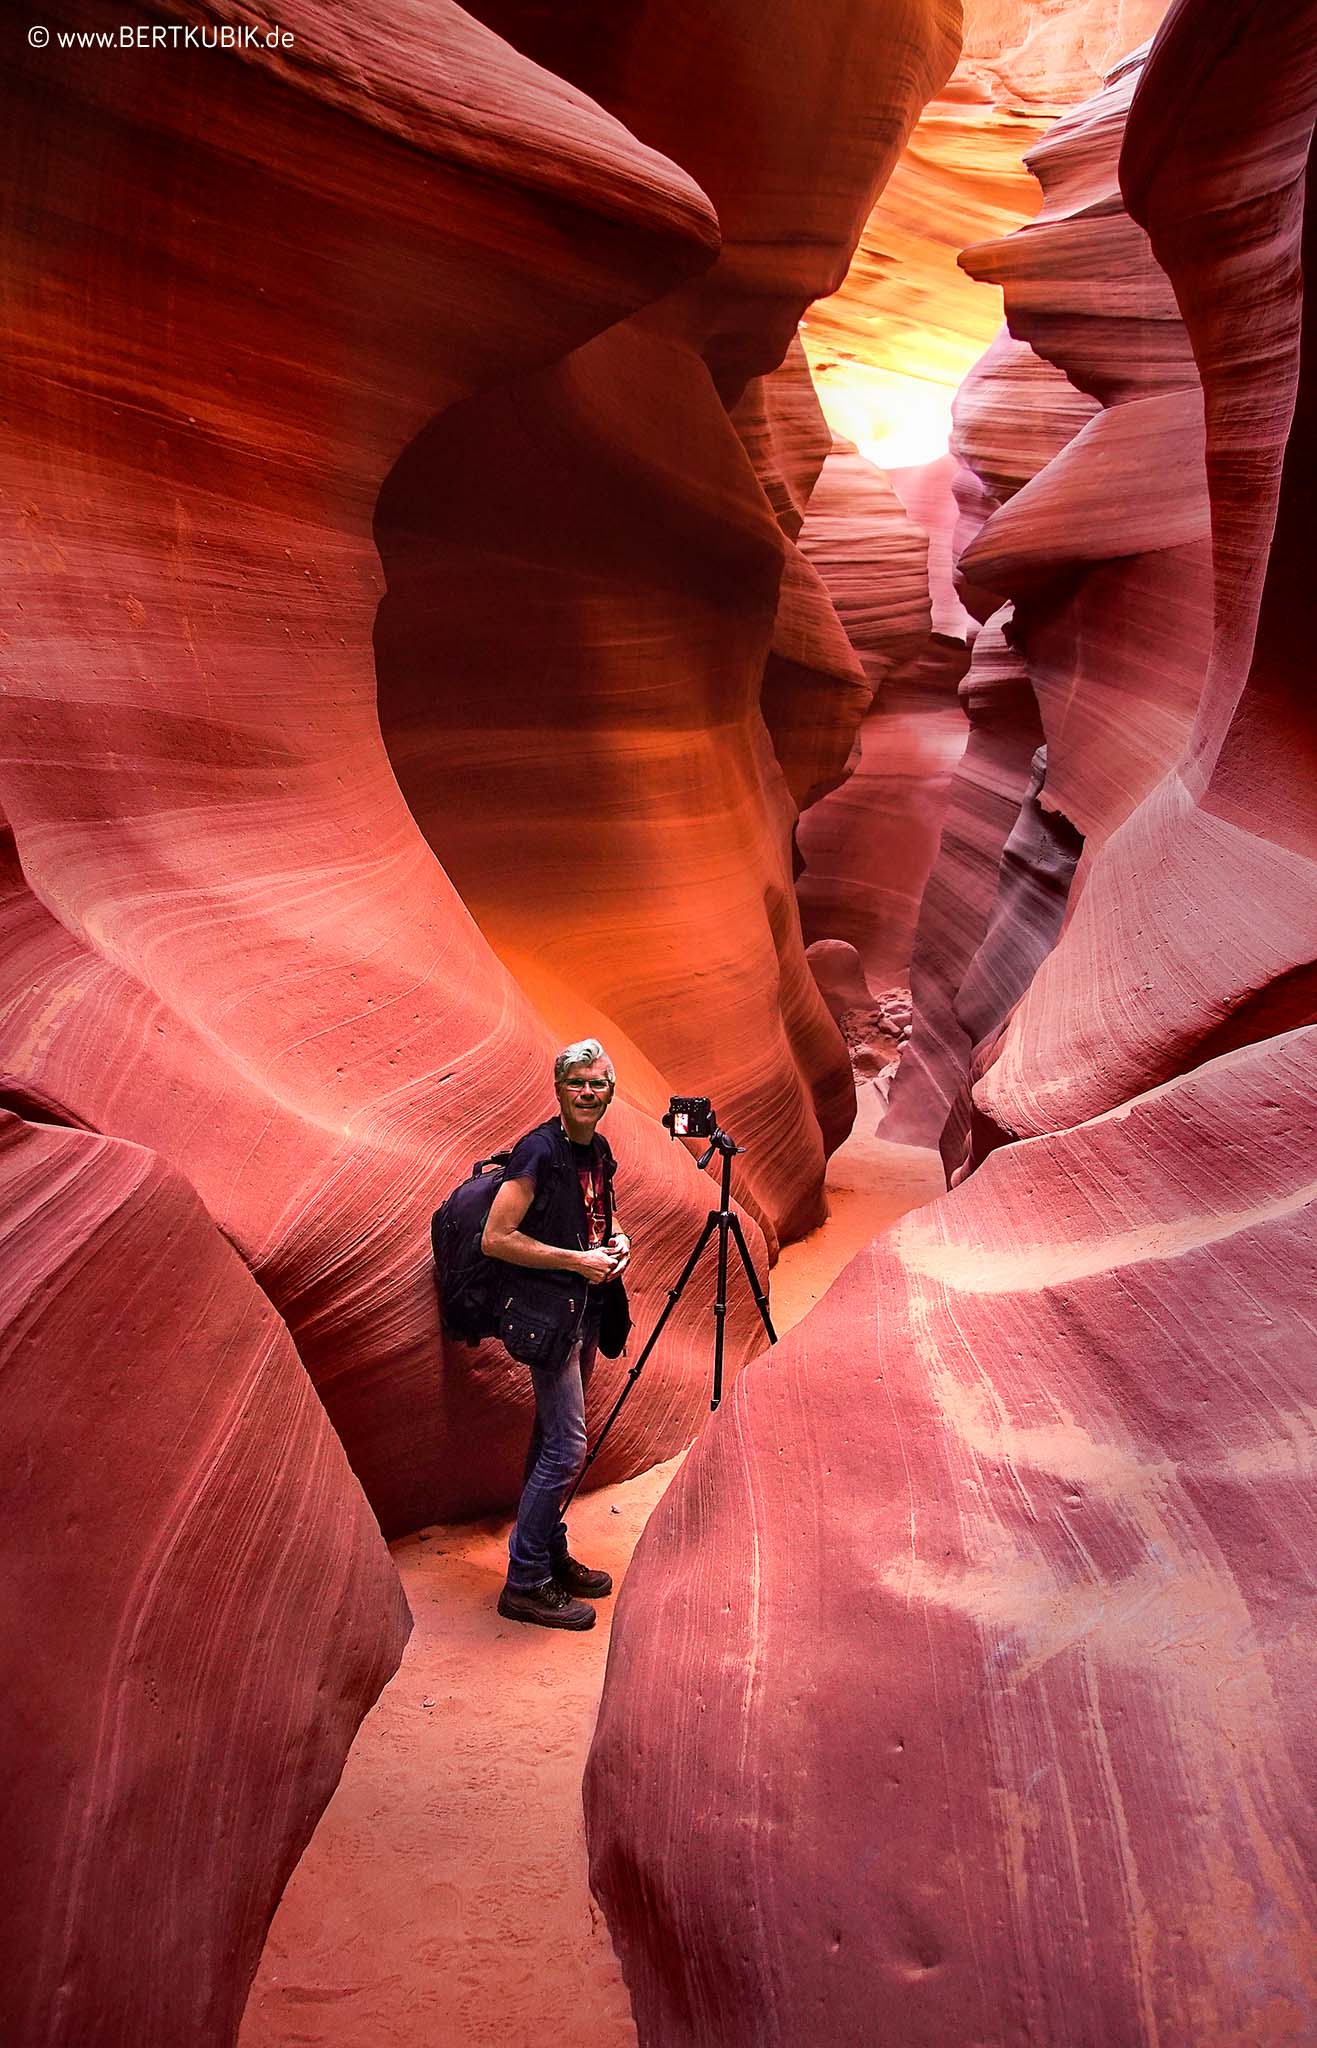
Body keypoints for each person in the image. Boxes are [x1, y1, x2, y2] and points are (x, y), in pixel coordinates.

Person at [482, 1038, 631, 1631]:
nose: (588, 1093)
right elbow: (496, 1236)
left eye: (598, 1084)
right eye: (578, 1084)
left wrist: (616, 1240)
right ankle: (524, 1582)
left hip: (585, 1310)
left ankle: (545, 1551)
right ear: (560, 1089)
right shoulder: (538, 1151)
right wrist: (577, 1261)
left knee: (550, 1437)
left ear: (610, 1094)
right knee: (567, 1447)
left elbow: (600, 1213)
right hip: (550, 1317)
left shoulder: (597, 1151)